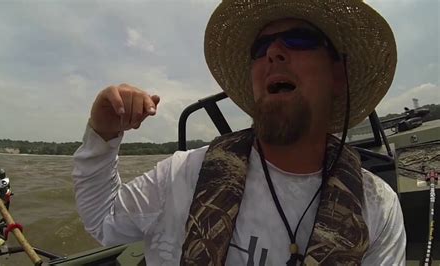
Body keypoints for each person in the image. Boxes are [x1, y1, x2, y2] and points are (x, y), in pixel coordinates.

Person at [73, 0, 406, 265]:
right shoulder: (185, 174)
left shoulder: (378, 208)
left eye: (299, 39)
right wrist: (103, 130)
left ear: (338, 75)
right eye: (259, 49)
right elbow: (103, 220)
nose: (273, 53)